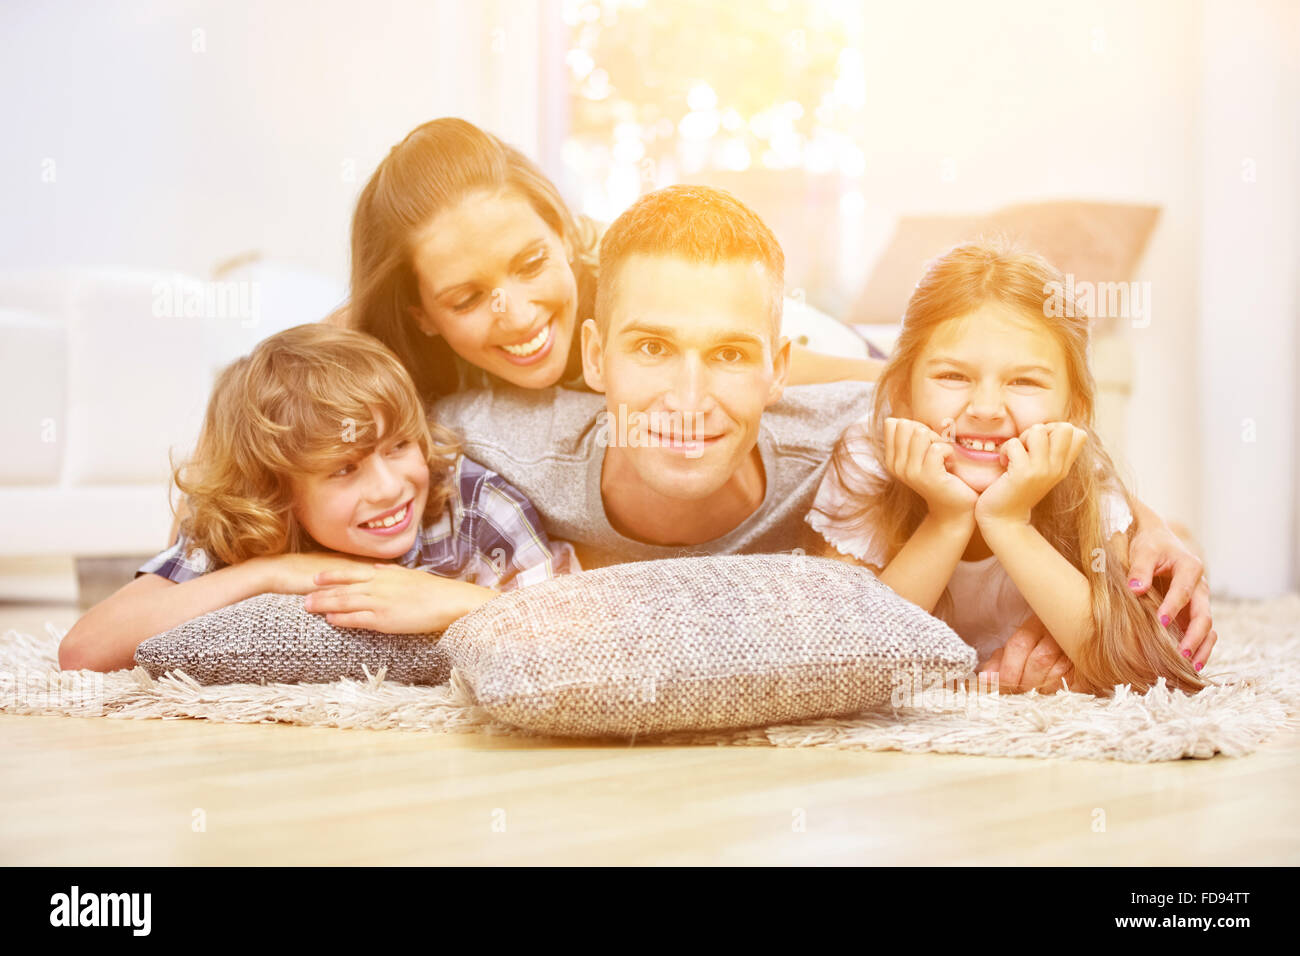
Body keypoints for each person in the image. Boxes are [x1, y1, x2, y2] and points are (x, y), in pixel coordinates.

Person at [432, 185, 1212, 692]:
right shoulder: (500, 437)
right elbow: (335, 418)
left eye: (731, 356)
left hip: (851, 359)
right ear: (595, 357)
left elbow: (1036, 432)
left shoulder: (867, 429)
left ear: (778, 369)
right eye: (652, 347)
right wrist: (450, 600)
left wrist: (1152, 526)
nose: (690, 398)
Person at [808, 240, 1212, 693]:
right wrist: (946, 519)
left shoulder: (1085, 479)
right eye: (953, 376)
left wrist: (1008, 522)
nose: (985, 407)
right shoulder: (869, 455)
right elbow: (846, 657)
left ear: (1074, 409)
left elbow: (1145, 670)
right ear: (901, 391)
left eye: (1024, 381)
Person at [58, 324, 575, 673]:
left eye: (398, 446)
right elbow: (83, 650)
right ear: (276, 489)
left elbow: (575, 636)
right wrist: (267, 573)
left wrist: (458, 603)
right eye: (344, 469)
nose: (389, 487)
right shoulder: (249, 524)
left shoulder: (473, 506)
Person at [332, 116, 881, 403]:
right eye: (468, 298)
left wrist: (894, 377)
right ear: (419, 313)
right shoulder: (381, 353)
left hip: (832, 342)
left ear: (565, 233)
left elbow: (753, 354)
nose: (519, 314)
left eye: (529, 265)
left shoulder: (631, 286)